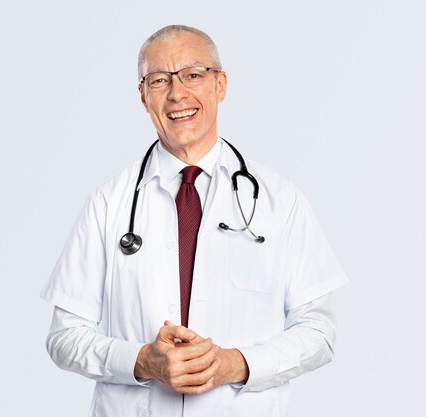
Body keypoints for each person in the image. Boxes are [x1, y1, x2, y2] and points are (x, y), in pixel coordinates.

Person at [41, 24, 349, 417]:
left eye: (192, 75)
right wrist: (140, 361)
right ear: (142, 95)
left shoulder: (279, 200)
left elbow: (319, 333)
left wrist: (235, 364)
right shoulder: (107, 203)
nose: (176, 93)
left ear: (220, 85)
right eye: (159, 80)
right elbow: (64, 337)